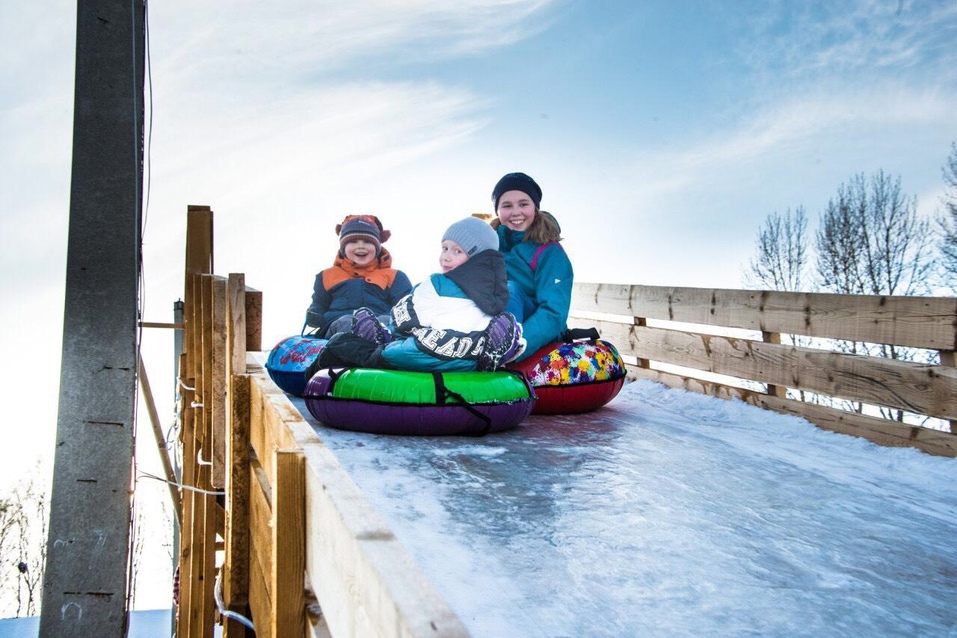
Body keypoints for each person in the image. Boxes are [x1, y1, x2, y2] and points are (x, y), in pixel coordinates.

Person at [315, 216, 525, 372]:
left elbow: (405, 316)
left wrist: (393, 333)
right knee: (506, 327)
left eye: (457, 251)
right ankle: (491, 355)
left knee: (347, 341)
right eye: (444, 249)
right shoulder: (499, 287)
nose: (446, 257)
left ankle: (382, 341)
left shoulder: (435, 283)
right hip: (470, 355)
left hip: (422, 351)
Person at [490, 172, 574, 358]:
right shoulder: (489, 247)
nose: (515, 212)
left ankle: (501, 346)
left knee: (509, 290)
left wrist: (518, 346)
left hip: (531, 334)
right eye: (507, 205)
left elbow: (553, 312)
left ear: (535, 208)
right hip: (489, 324)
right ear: (498, 211)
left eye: (523, 204)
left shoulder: (549, 252)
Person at [304, 214, 412, 337]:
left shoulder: (394, 277)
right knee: (347, 322)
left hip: (380, 322)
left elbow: (405, 305)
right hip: (338, 324)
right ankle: (354, 348)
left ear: (377, 247)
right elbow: (320, 302)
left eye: (367, 242)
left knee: (385, 321)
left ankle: (379, 346)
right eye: (353, 242)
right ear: (343, 248)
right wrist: (315, 313)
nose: (360, 246)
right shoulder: (327, 276)